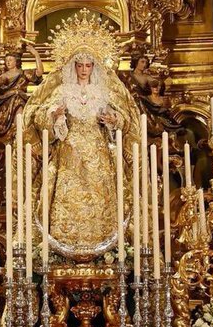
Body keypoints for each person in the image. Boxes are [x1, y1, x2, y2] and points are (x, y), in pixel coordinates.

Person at [22, 13, 140, 257]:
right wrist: (55, 116)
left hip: (98, 155)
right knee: (67, 201)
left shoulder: (103, 91)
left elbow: (123, 120)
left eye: (88, 65)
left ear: (94, 67)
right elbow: (40, 116)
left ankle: (106, 252)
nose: (84, 70)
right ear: (72, 66)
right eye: (80, 65)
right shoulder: (64, 90)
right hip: (69, 154)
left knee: (102, 201)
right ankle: (62, 253)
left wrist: (113, 120)